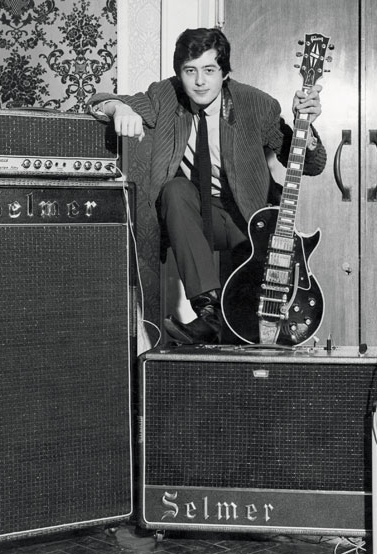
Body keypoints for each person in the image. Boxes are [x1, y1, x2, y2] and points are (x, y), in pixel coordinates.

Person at [88, 27, 327, 345]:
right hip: (199, 217)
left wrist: (306, 128)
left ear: (225, 73)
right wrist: (119, 108)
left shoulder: (256, 104)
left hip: (248, 220)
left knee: (253, 321)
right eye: (190, 71)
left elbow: (311, 165)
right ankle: (209, 312)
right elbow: (99, 101)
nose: (200, 81)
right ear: (180, 74)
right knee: (175, 190)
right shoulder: (165, 95)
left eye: (209, 70)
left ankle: (243, 327)